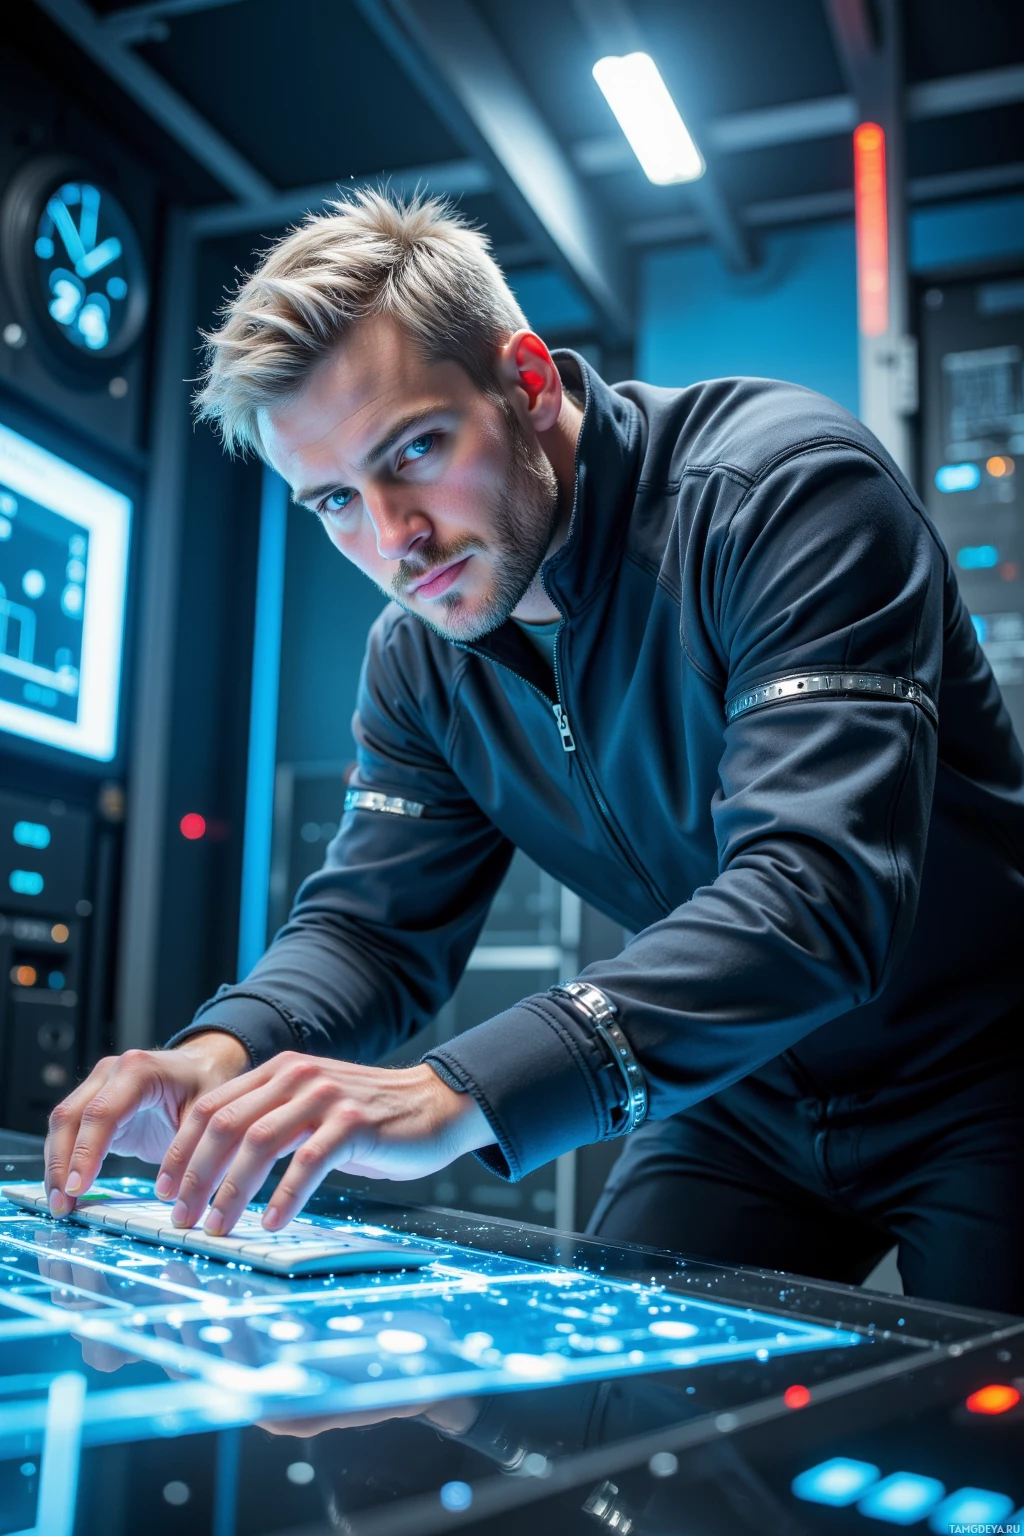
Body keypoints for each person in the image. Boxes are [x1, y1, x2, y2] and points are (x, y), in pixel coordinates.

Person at [44, 192, 1024, 1311]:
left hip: (982, 1074)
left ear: (526, 380)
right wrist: (225, 1049)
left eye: (415, 449)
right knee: (618, 1438)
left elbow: (815, 898)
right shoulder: (418, 658)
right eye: (333, 502)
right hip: (737, 1095)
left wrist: (455, 1093)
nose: (393, 540)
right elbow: (370, 928)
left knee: (991, 1457)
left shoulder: (783, 495)